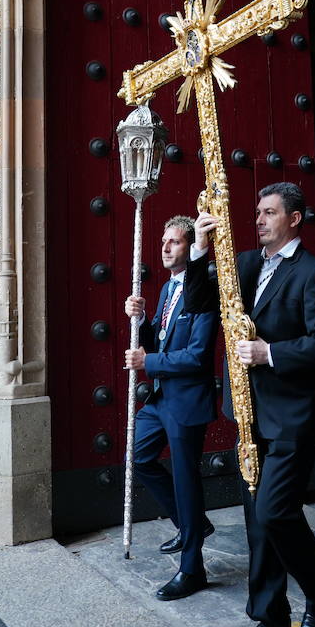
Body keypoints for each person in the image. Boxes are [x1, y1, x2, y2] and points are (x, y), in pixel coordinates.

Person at [186, 182, 315, 627]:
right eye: (257, 211)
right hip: (248, 414)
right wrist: (199, 248)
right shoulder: (245, 265)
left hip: (293, 417)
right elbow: (198, 302)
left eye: (270, 212)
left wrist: (269, 352)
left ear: (294, 219)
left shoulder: (314, 273)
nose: (258, 219)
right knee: (257, 526)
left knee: (274, 512)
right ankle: (271, 624)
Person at [122, 215, 219, 601]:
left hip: (187, 401)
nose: (164, 247)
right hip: (161, 398)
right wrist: (142, 318)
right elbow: (158, 339)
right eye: (164, 241)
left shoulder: (204, 289)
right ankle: (190, 523)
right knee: (138, 457)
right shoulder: (166, 288)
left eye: (174, 242)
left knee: (185, 481)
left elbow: (197, 356)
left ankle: (192, 569)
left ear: (191, 247)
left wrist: (148, 362)